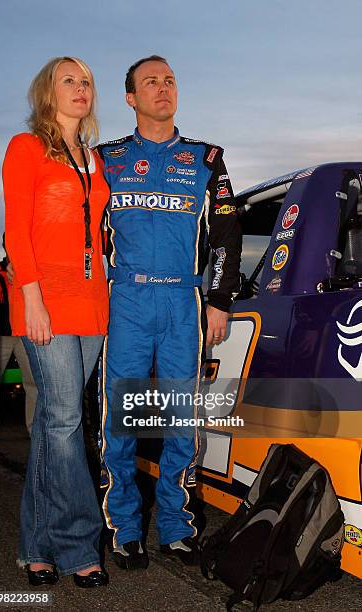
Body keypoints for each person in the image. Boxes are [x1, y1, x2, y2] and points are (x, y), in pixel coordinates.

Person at [98, 55, 242, 569]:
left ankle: (177, 527)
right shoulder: (105, 159)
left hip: (185, 302)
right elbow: (87, 233)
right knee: (122, 419)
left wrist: (220, 300)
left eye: (170, 81)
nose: (163, 89)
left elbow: (227, 230)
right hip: (127, 303)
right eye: (150, 82)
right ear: (131, 98)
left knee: (182, 420)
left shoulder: (206, 158)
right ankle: (125, 528)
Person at [2, 56, 109, 588]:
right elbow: (16, 232)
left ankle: (35, 546)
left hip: (92, 302)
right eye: (69, 80)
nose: (80, 88)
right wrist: (32, 299)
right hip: (44, 299)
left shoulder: (93, 157)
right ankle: (79, 545)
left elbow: (97, 236)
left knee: (52, 426)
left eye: (86, 81)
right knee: (66, 420)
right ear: (47, 93)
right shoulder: (26, 148)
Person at [0, 246, 37, 443]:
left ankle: (36, 431)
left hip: (27, 331)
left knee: (34, 382)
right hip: (1, 332)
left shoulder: (32, 269)